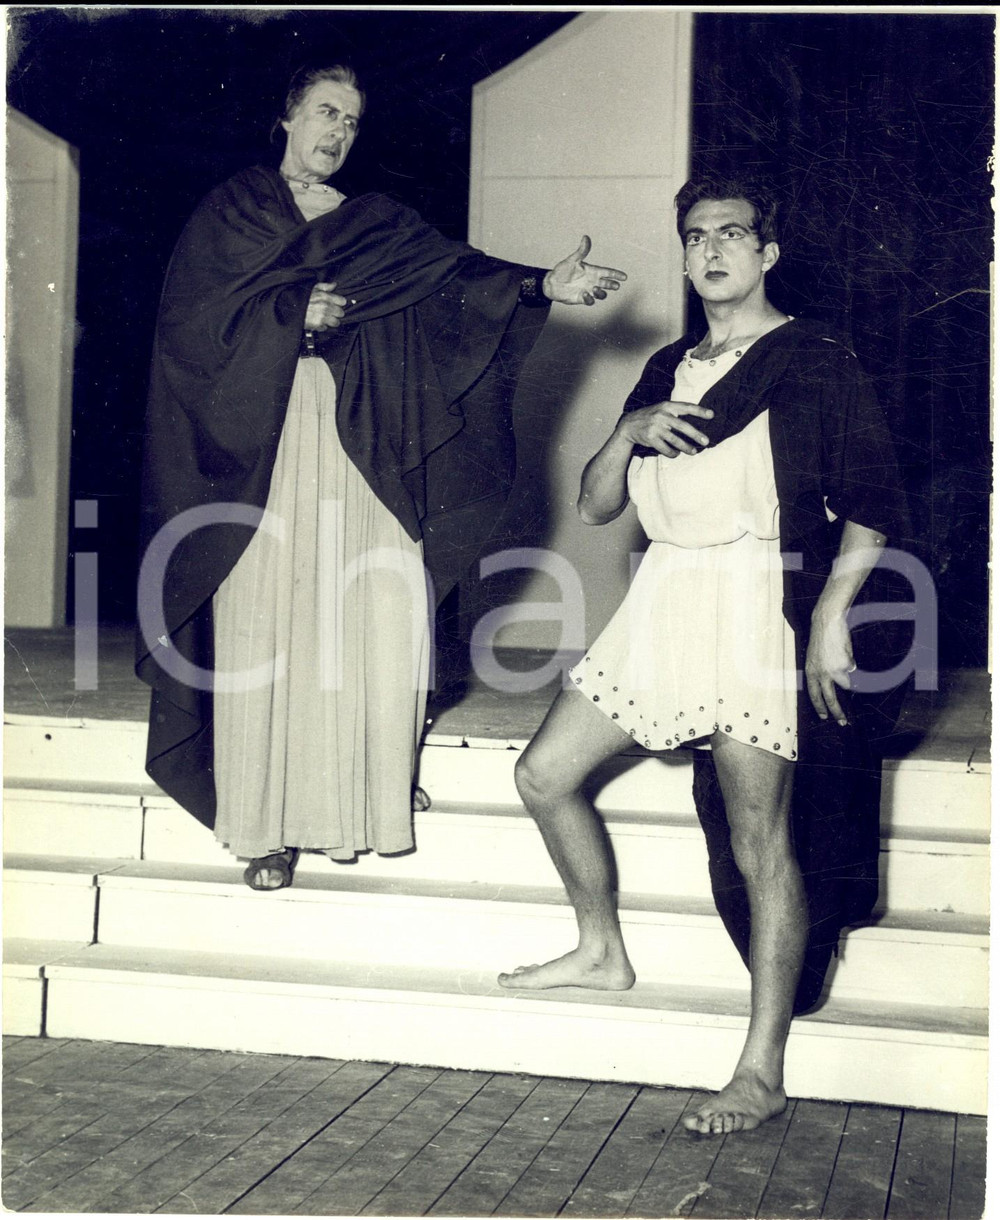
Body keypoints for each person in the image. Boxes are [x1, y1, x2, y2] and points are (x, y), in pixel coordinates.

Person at [136, 64, 626, 891]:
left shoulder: (376, 223)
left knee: (368, 608)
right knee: (271, 621)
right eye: (325, 112)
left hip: (365, 438)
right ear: (286, 117)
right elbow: (190, 329)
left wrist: (544, 284)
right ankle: (265, 826)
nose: (337, 132)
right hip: (265, 446)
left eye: (353, 122)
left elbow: (458, 283)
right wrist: (294, 317)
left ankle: (362, 798)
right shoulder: (233, 211)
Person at [497, 172, 910, 1135]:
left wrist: (829, 615)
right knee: (543, 773)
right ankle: (602, 949)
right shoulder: (671, 367)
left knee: (759, 838)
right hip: (666, 594)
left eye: (733, 233)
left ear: (767, 252)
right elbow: (600, 504)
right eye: (695, 236)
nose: (712, 250)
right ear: (684, 255)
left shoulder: (813, 357)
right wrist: (629, 429)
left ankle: (760, 1067)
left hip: (756, 600)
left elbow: (873, 504)